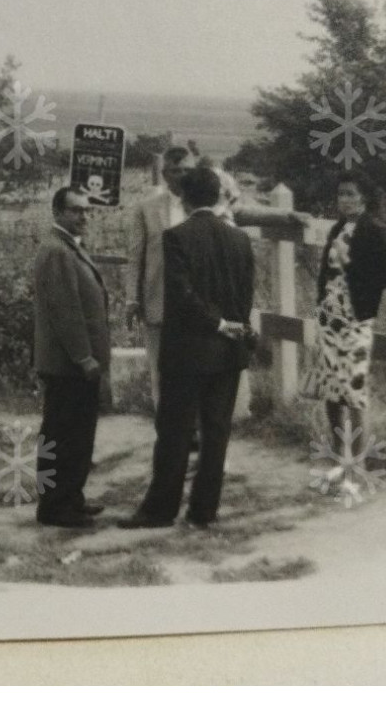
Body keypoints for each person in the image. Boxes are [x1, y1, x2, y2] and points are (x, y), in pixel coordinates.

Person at [119, 166, 257, 530]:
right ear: (217, 196)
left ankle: (160, 509)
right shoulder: (240, 240)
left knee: (175, 433)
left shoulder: (176, 237)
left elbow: (181, 296)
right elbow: (244, 298)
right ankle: (203, 511)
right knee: (216, 433)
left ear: (183, 197)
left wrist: (214, 323)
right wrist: (232, 328)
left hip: (187, 351)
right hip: (228, 351)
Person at [300, 171, 386, 497]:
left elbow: (381, 278)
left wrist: (349, 262)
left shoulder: (371, 232)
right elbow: (326, 274)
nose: (345, 200)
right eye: (341, 194)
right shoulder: (337, 228)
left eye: (351, 194)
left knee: (354, 393)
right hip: (330, 319)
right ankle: (341, 461)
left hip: (354, 321)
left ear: (364, 198)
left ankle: (359, 470)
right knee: (331, 392)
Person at [32, 186, 112, 528]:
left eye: (87, 210)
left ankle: (71, 498)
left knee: (77, 435)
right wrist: (83, 357)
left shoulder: (68, 248)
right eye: (75, 210)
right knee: (62, 435)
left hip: (75, 364)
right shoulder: (56, 251)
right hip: (68, 364)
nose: (84, 216)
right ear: (57, 213)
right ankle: (53, 507)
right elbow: (65, 311)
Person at [126, 146, 193, 409]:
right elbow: (135, 257)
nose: (182, 175)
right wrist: (132, 298)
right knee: (161, 370)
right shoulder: (146, 208)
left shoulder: (204, 205)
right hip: (158, 300)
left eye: (187, 170)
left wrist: (286, 216)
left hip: (194, 302)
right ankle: (167, 427)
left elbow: (241, 213)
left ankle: (193, 428)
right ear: (165, 174)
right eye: (176, 170)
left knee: (192, 367)